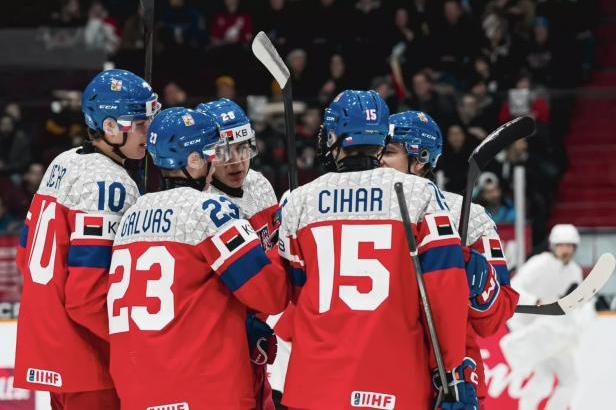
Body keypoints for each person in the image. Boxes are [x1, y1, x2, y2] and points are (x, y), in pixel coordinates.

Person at [277, 90, 475, 409]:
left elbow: (292, 293)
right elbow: (446, 291)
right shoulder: (420, 194)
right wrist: (450, 369)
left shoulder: (298, 200)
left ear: (332, 136)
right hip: (394, 383)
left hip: (315, 386)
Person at [108, 107, 288, 409]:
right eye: (211, 152)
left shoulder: (131, 215)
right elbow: (270, 294)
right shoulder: (212, 210)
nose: (216, 159)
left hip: (138, 385)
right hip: (203, 385)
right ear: (193, 160)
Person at [14, 69, 159, 409]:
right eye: (140, 124)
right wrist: (137, 347)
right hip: (90, 357)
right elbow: (88, 296)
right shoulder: (109, 184)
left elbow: (25, 255)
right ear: (110, 127)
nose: (149, 133)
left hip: (52, 348)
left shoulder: (62, 163)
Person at [380, 110, 520, 406]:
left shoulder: (466, 215)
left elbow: (495, 316)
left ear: (420, 159)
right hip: (380, 366)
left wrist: (479, 283)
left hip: (449, 375)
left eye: (389, 152)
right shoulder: (360, 212)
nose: (378, 160)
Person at [196, 98, 279, 409]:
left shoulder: (260, 185)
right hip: (218, 341)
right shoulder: (200, 201)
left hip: (261, 325)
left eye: (243, 148)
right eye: (222, 152)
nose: (236, 161)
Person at [503, 224, 584, 410]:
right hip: (529, 329)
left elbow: (573, 304)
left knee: (567, 380)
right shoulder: (540, 263)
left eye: (570, 246)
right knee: (545, 379)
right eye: (562, 245)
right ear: (553, 246)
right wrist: (537, 300)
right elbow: (514, 287)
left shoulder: (575, 271)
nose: (566, 250)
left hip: (553, 332)